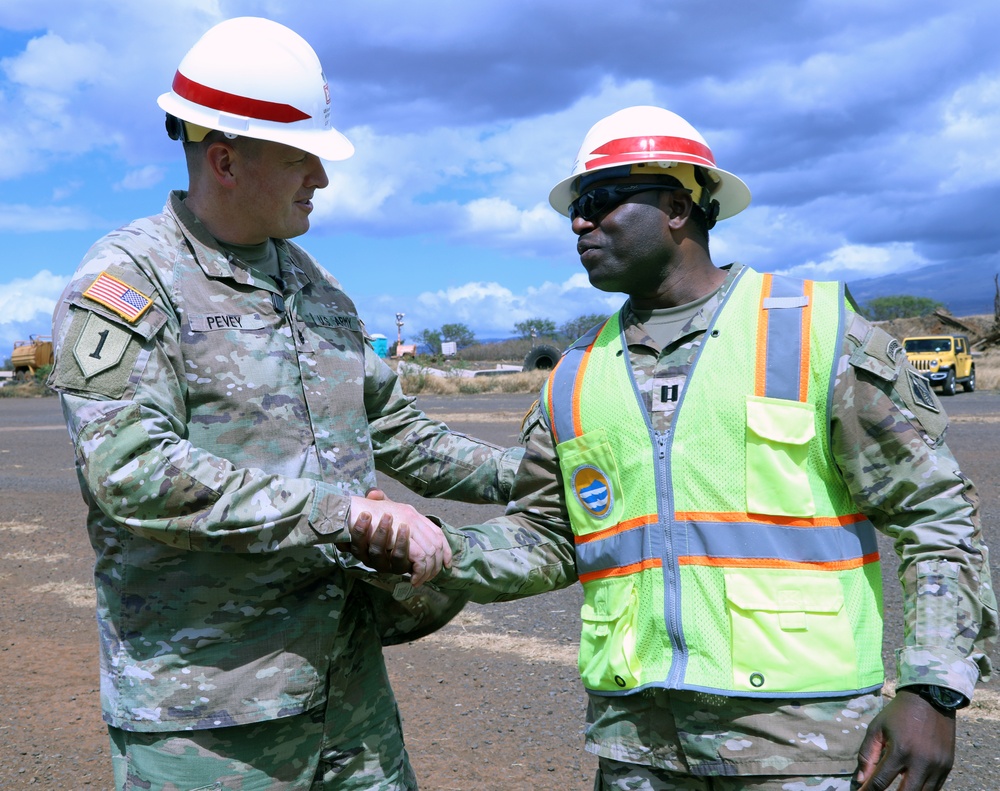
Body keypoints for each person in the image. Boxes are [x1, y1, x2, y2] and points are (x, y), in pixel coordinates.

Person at [357, 105, 998, 790]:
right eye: (574, 210)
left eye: (599, 202)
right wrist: (437, 548)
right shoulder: (575, 377)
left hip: (801, 744)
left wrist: (933, 685)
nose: (579, 223)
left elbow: (936, 514)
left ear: (676, 205)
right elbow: (548, 537)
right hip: (640, 750)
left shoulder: (814, 333)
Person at [47, 16, 522, 791]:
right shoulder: (130, 284)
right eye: (303, 157)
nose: (322, 180)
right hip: (209, 714)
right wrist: (349, 516)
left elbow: (392, 427)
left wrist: (528, 471)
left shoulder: (312, 284)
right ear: (226, 160)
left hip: (346, 691)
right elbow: (129, 469)